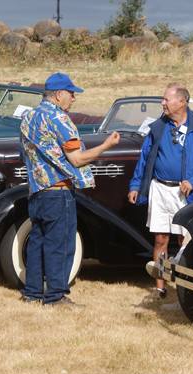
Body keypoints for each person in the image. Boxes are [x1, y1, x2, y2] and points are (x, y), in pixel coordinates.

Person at [19, 73, 120, 307]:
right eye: (71, 94)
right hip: (58, 191)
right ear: (58, 95)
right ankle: (55, 296)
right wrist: (106, 145)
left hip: (36, 189)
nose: (73, 99)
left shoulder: (28, 117)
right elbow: (76, 159)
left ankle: (32, 293)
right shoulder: (60, 119)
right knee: (60, 244)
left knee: (37, 241)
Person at [127, 84, 193, 300]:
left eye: (166, 100)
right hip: (159, 188)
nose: (162, 104)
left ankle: (185, 291)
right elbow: (145, 159)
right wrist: (135, 185)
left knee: (184, 241)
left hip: (186, 194)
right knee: (160, 239)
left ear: (182, 102)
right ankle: (160, 289)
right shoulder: (158, 127)